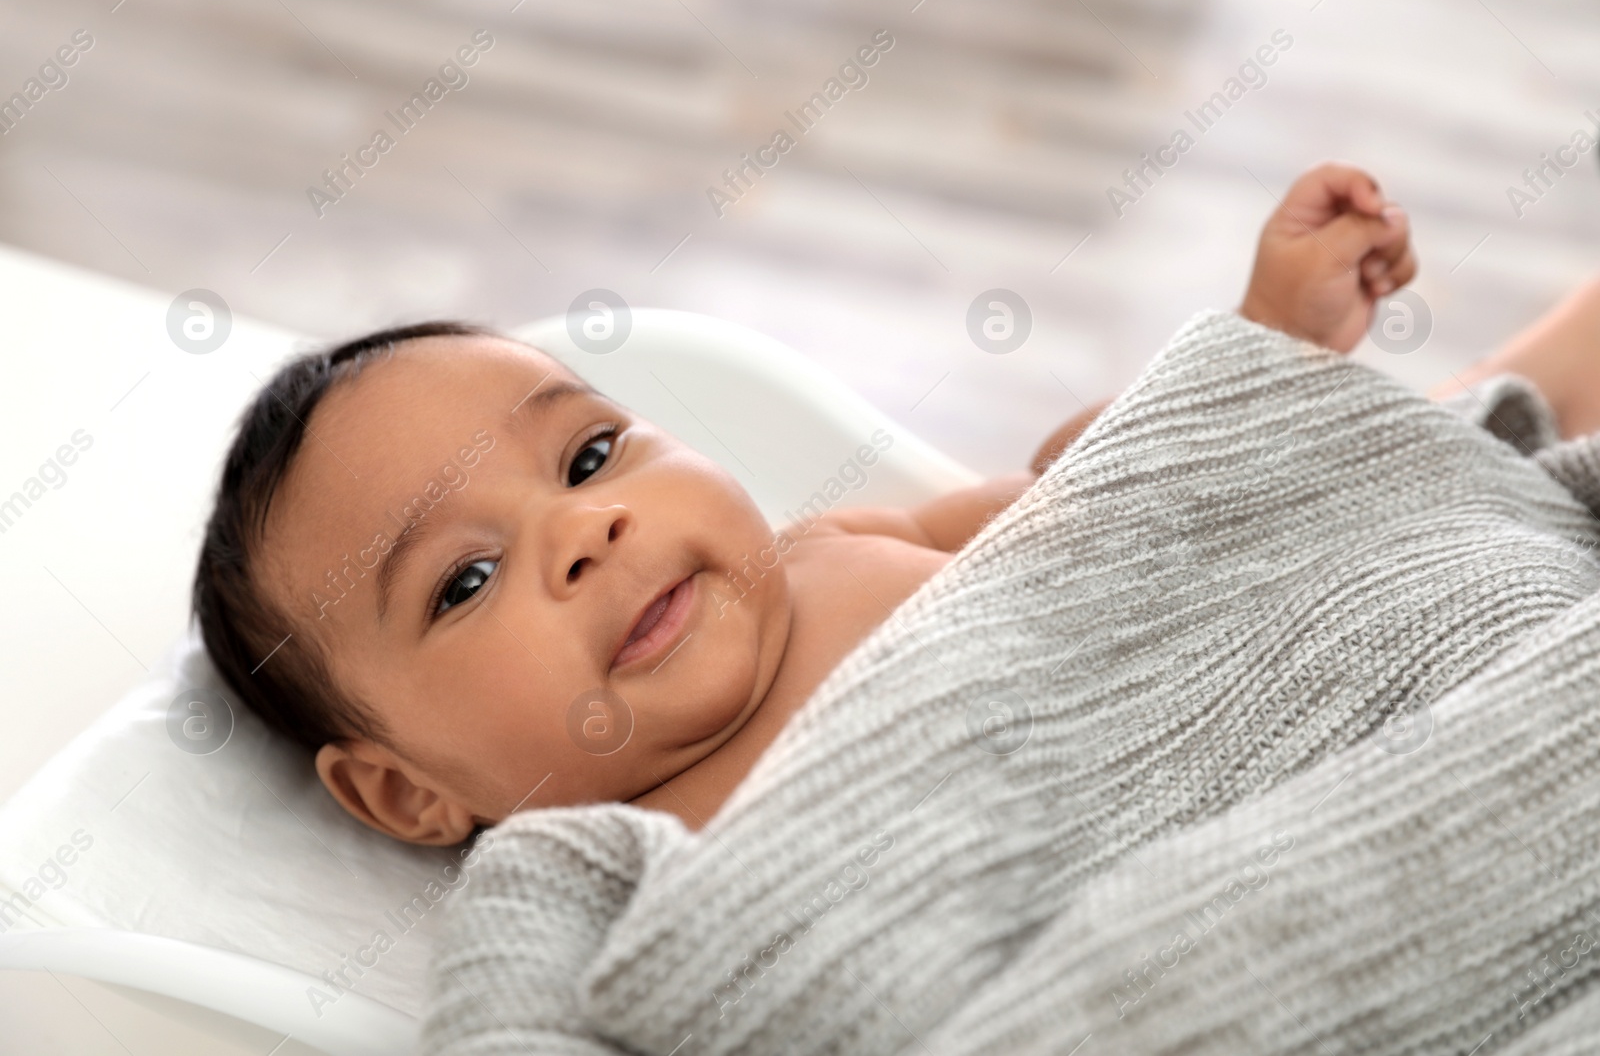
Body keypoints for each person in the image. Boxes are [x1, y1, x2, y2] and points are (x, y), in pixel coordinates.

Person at [190, 161, 1593, 845]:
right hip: (1262, 868)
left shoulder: (839, 551)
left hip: (1308, 681)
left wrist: (1264, 344)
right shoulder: (619, 860)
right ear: (405, 792)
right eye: (465, 582)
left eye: (591, 456)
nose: (585, 530)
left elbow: (1119, 497)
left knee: (1442, 470)